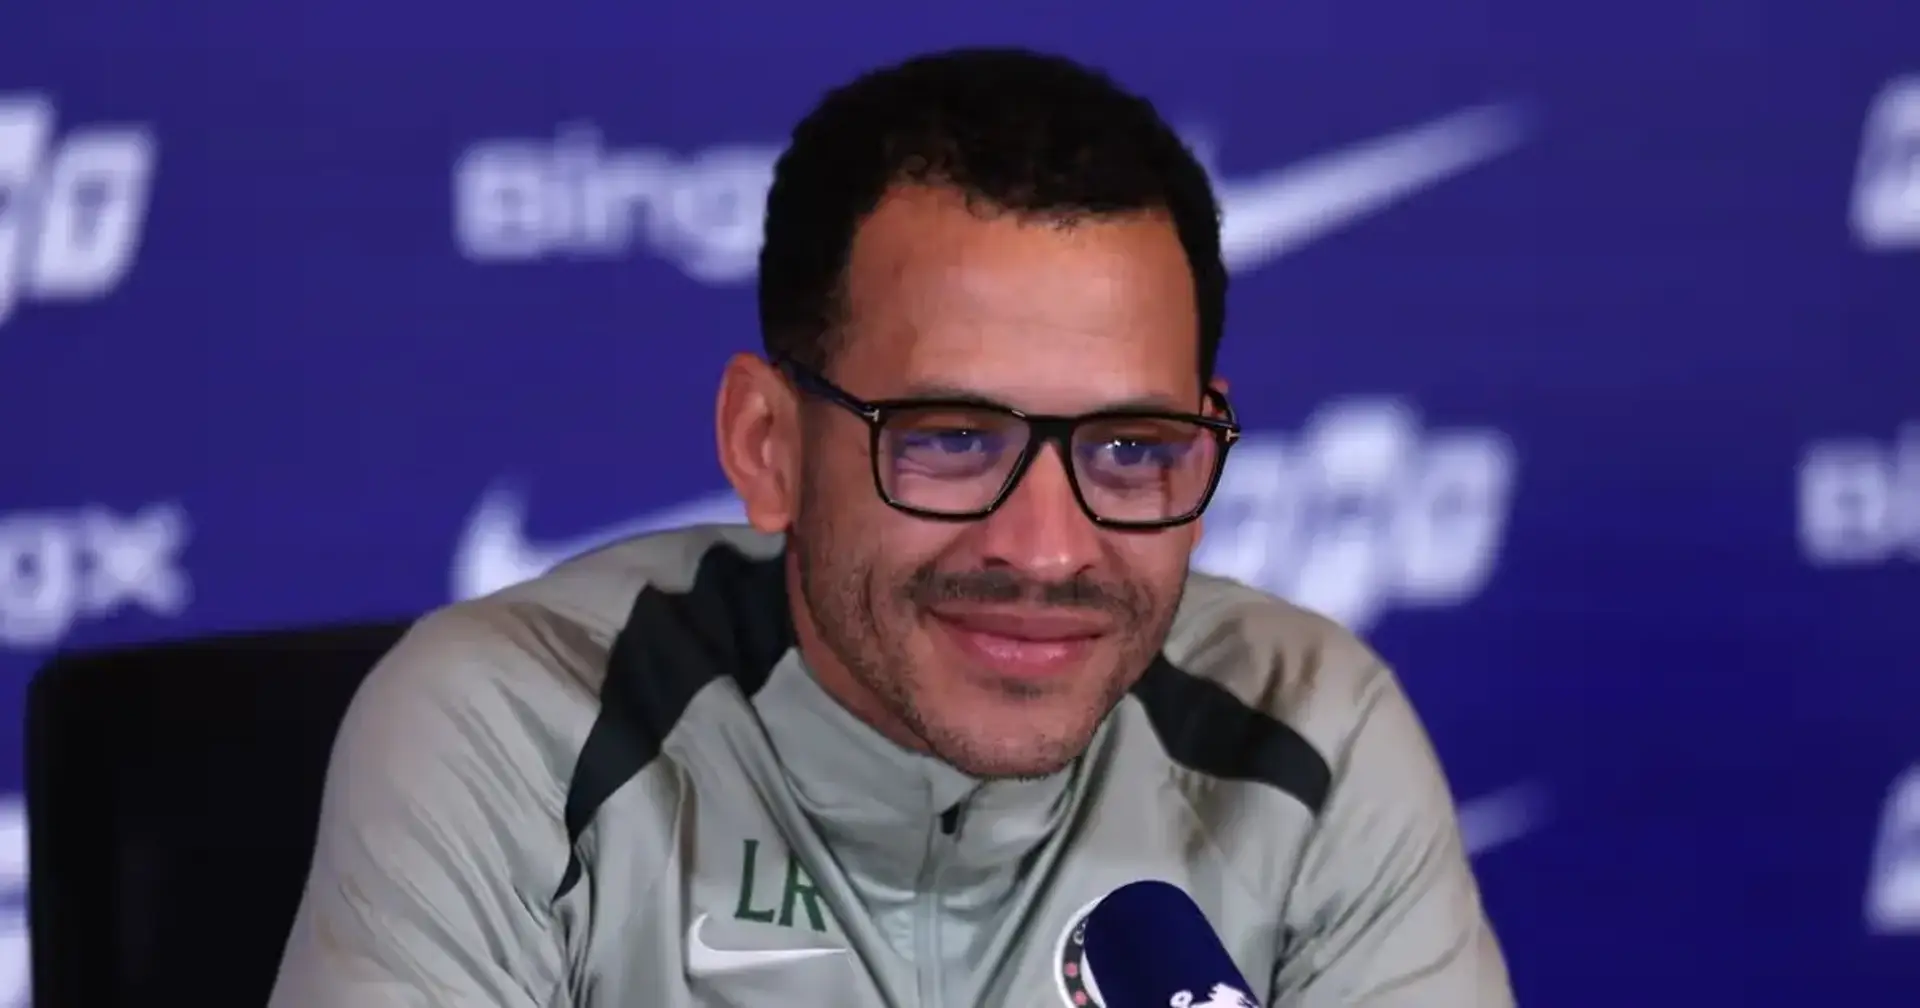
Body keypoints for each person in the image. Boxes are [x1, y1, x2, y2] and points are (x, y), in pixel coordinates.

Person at [269, 46, 1513, 1008]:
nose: (1047, 550)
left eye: (1131, 450)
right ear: (768, 446)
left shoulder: (1313, 735)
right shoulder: (510, 734)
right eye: (952, 439)